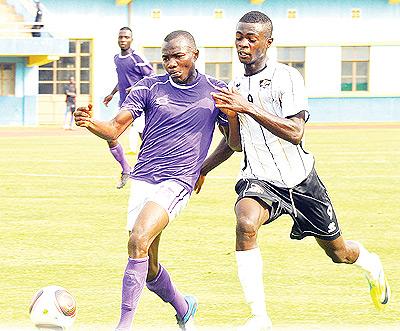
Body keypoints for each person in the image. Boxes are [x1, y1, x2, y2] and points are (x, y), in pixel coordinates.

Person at [196, 10, 390, 331]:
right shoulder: (234, 85)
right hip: (259, 180)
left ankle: (373, 268)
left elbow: (296, 131)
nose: (243, 44)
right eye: (239, 37)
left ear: (268, 43)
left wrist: (247, 107)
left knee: (339, 253)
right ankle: (259, 317)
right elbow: (236, 145)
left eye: (251, 38)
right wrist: (227, 123)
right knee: (245, 223)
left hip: (301, 181)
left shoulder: (288, 77)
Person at [74, 30, 228, 331]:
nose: (171, 63)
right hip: (144, 178)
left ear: (195, 55)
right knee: (147, 264)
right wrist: (90, 121)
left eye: (178, 56)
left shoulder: (215, 91)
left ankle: (124, 325)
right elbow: (115, 129)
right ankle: (185, 308)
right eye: (166, 58)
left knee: (138, 239)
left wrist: (203, 169)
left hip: (178, 181)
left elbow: (232, 142)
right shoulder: (148, 87)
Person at [103, 26, 154, 189]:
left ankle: (152, 170)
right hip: (124, 103)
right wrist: (112, 93)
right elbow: (122, 79)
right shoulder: (117, 58)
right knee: (110, 135)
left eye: (126, 37)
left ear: (132, 39)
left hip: (140, 103)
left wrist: (137, 87)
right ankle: (126, 169)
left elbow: (152, 76)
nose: (123, 40)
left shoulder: (136, 57)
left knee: (146, 138)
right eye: (121, 37)